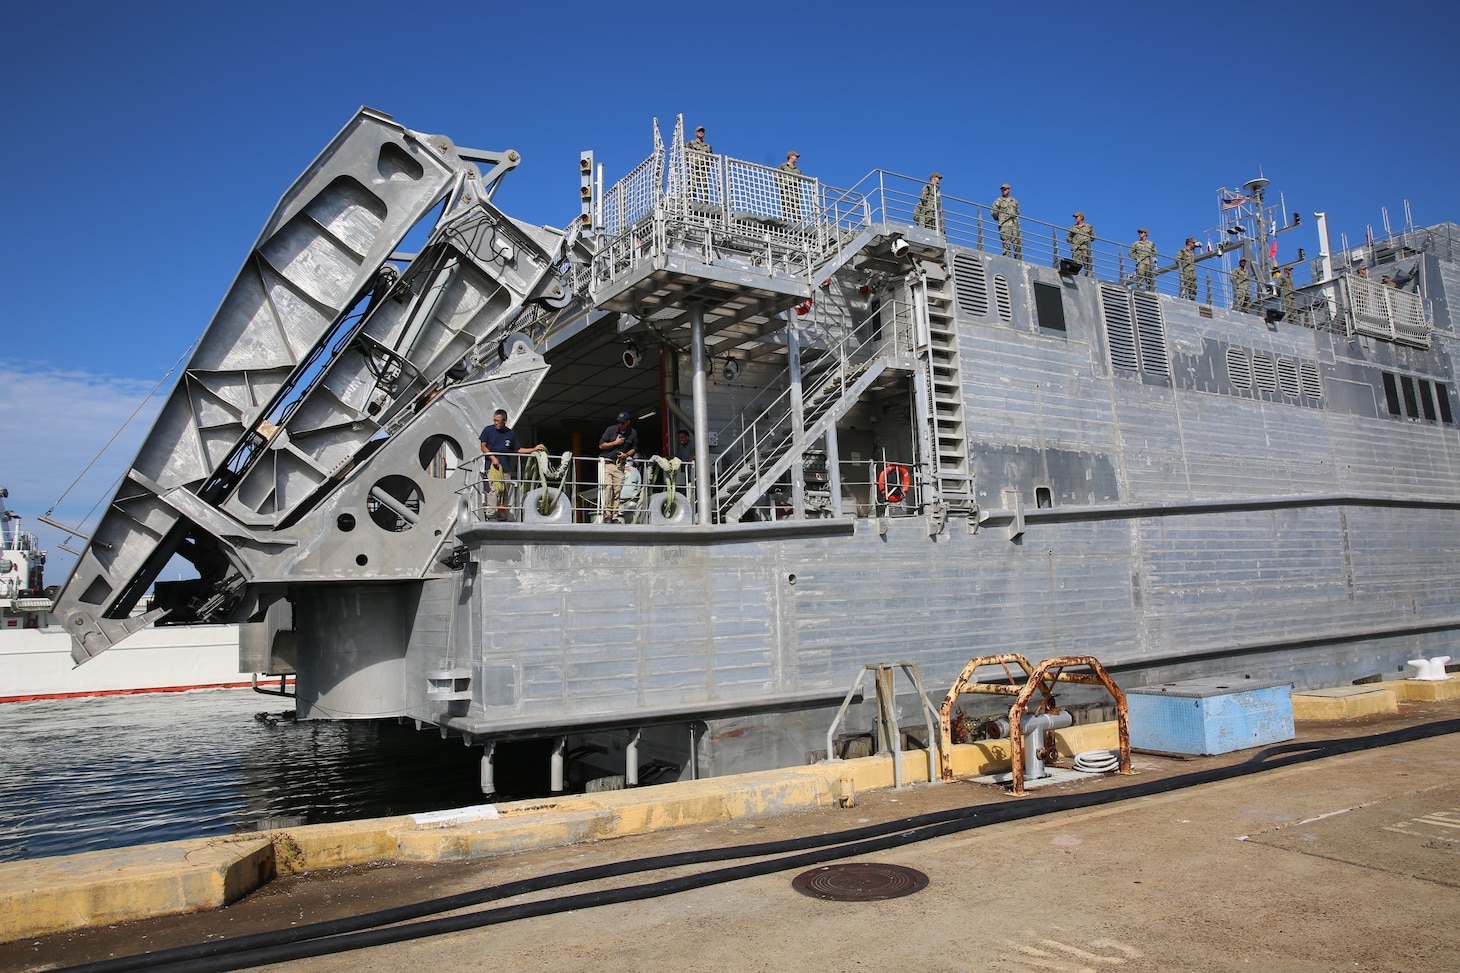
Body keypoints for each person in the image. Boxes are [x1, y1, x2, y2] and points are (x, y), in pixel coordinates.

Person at [479, 410, 539, 520]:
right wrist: (493, 458)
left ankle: (502, 515)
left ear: (504, 421)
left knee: (505, 491)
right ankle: (491, 514)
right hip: (492, 467)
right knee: (495, 489)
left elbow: (518, 449)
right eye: (494, 420)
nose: (496, 422)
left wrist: (534, 449)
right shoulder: (488, 430)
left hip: (505, 467)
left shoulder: (510, 434)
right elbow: (483, 447)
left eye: (498, 420)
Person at [598, 410, 639, 523]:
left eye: (622, 423)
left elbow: (634, 448)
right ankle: (607, 515)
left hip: (620, 465)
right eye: (619, 422)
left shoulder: (633, 433)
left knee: (617, 491)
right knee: (608, 489)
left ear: (627, 422)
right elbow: (601, 445)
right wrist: (615, 443)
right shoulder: (610, 430)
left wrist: (626, 455)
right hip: (607, 463)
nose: (620, 425)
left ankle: (615, 516)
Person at [992, 183, 1021, 258]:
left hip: (1014, 225)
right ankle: (1007, 259)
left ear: (1009, 190)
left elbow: (1017, 212)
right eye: (1002, 189)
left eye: (1005, 189)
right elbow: (993, 212)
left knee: (1017, 243)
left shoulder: (1014, 201)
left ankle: (1017, 260)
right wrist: (1001, 218)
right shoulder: (999, 201)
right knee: (1006, 244)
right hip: (1005, 225)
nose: (1003, 191)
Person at [686, 125, 713, 200]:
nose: (701, 132)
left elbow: (711, 158)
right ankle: (690, 201)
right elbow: (685, 153)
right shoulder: (691, 143)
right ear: (696, 133)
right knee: (692, 185)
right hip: (694, 168)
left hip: (703, 169)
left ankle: (704, 203)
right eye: (699, 131)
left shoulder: (707, 146)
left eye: (702, 131)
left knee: (705, 187)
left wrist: (706, 164)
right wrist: (691, 162)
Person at [777, 151, 803, 223]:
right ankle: (784, 220)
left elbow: (799, 180)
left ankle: (797, 222)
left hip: (794, 190)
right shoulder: (783, 166)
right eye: (796, 156)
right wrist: (782, 186)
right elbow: (777, 177)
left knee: (796, 206)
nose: (797, 158)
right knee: (786, 205)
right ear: (791, 156)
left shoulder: (797, 169)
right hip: (786, 189)